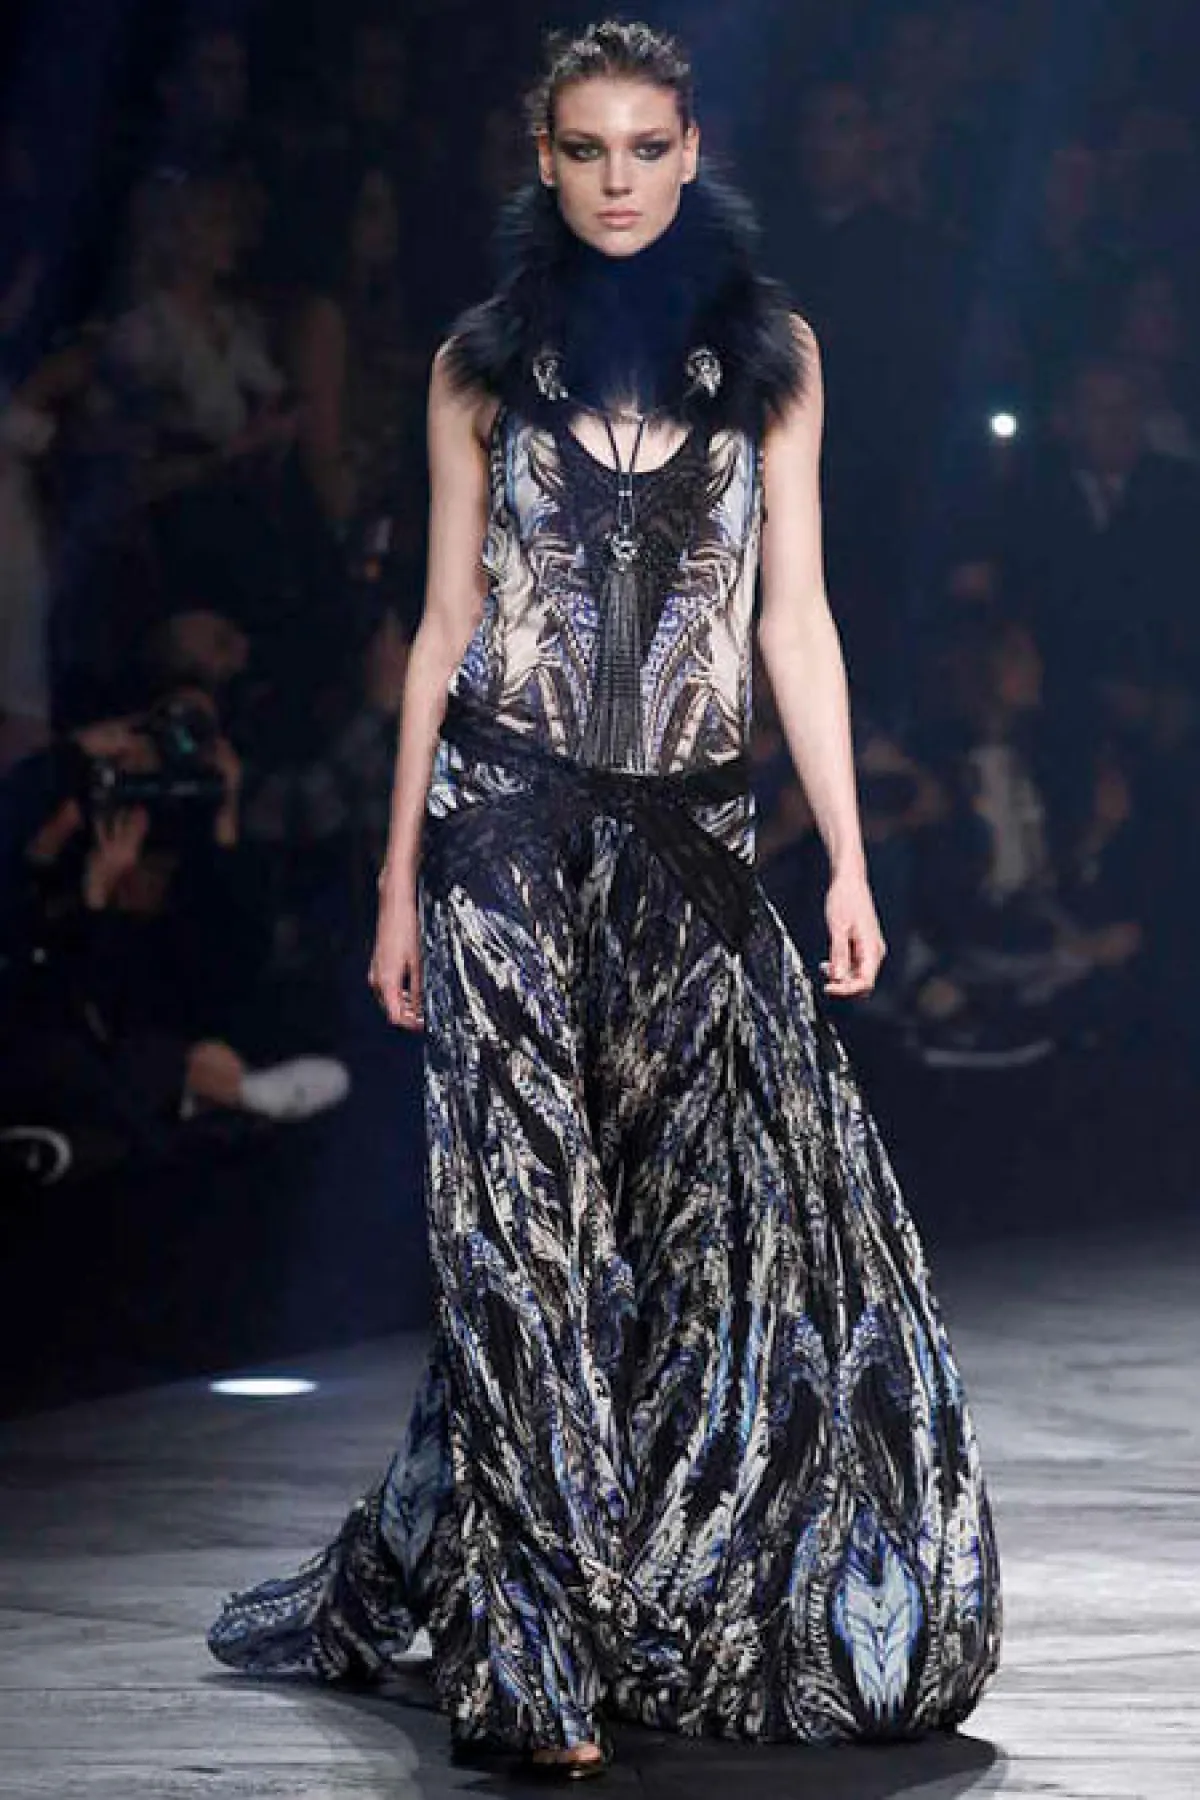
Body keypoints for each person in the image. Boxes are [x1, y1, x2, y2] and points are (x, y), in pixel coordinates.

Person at [206, 21, 1002, 1779]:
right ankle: (526, 1665)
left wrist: (850, 855)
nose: (620, 178)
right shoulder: (479, 366)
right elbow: (443, 627)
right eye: (588, 149)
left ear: (692, 149)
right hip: (505, 828)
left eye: (648, 146)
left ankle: (583, 1578)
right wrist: (399, 882)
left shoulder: (776, 356)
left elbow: (795, 615)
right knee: (519, 1237)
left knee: (684, 1242)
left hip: (694, 852)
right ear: (543, 158)